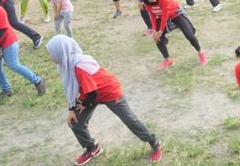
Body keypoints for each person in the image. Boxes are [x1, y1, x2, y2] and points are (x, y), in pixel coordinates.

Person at [45, 35, 162, 166]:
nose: (50, 57)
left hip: (108, 92)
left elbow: (93, 92)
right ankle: (92, 148)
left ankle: (154, 142)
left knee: (130, 119)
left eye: (51, 53)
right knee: (75, 122)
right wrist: (72, 109)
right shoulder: (66, 65)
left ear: (61, 52)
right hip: (90, 93)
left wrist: (83, 104)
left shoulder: (79, 67)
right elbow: (72, 88)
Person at [140, 0, 207, 70]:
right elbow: (153, 15)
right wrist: (154, 31)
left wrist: (160, 31)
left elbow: (165, 16)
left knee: (189, 35)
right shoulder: (147, 3)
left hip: (175, 14)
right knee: (157, 38)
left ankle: (201, 52)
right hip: (161, 16)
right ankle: (167, 60)